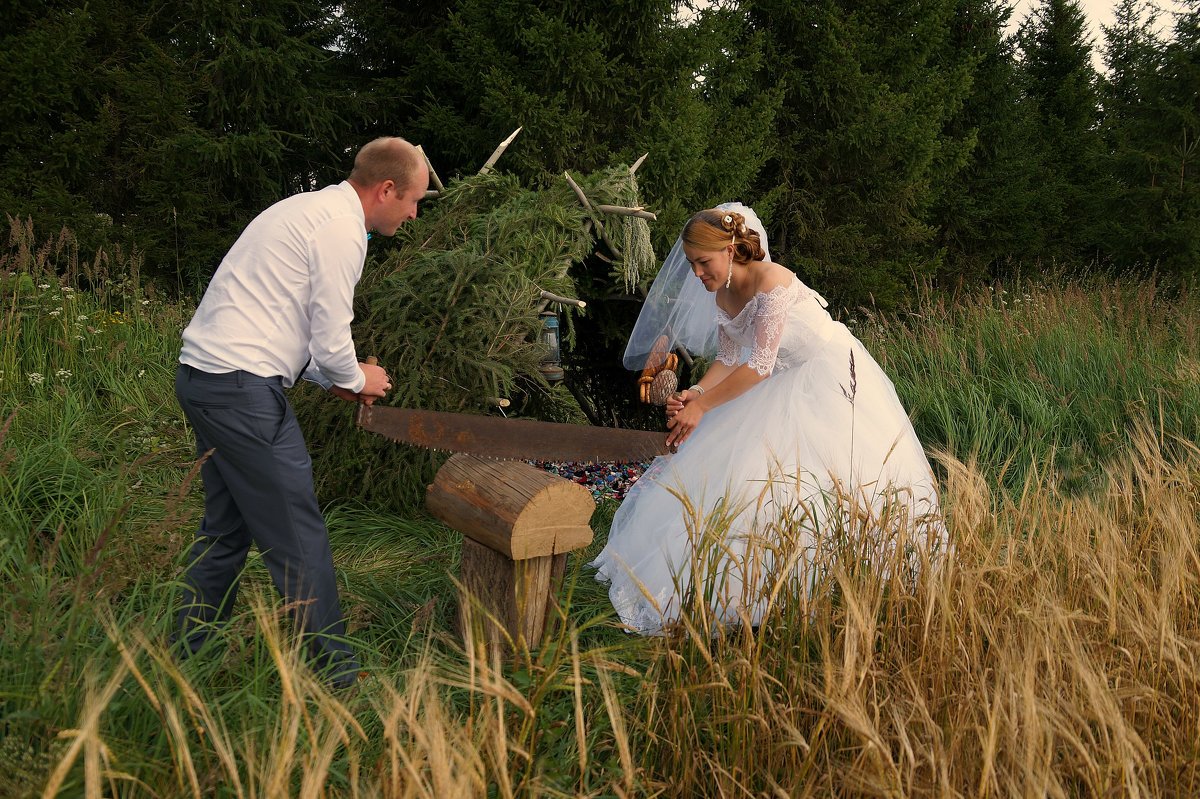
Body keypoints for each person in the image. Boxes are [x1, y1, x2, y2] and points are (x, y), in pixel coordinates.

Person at [592, 204, 945, 634]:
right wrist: (696, 392)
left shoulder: (772, 282)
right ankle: (742, 583)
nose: (697, 274)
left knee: (835, 477)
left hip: (827, 375)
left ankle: (845, 576)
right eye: (691, 265)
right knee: (751, 481)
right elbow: (727, 358)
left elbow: (758, 364)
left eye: (704, 262)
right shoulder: (721, 293)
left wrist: (704, 408)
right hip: (777, 380)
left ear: (731, 248)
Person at [173, 137, 429, 687]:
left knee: (227, 529)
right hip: (240, 392)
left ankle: (183, 659)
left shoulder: (306, 209)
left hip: (207, 379)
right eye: (413, 201)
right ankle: (336, 678)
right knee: (297, 534)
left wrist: (332, 378)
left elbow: (285, 326)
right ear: (385, 189)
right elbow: (332, 335)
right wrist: (358, 377)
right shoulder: (341, 230)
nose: (412, 213)